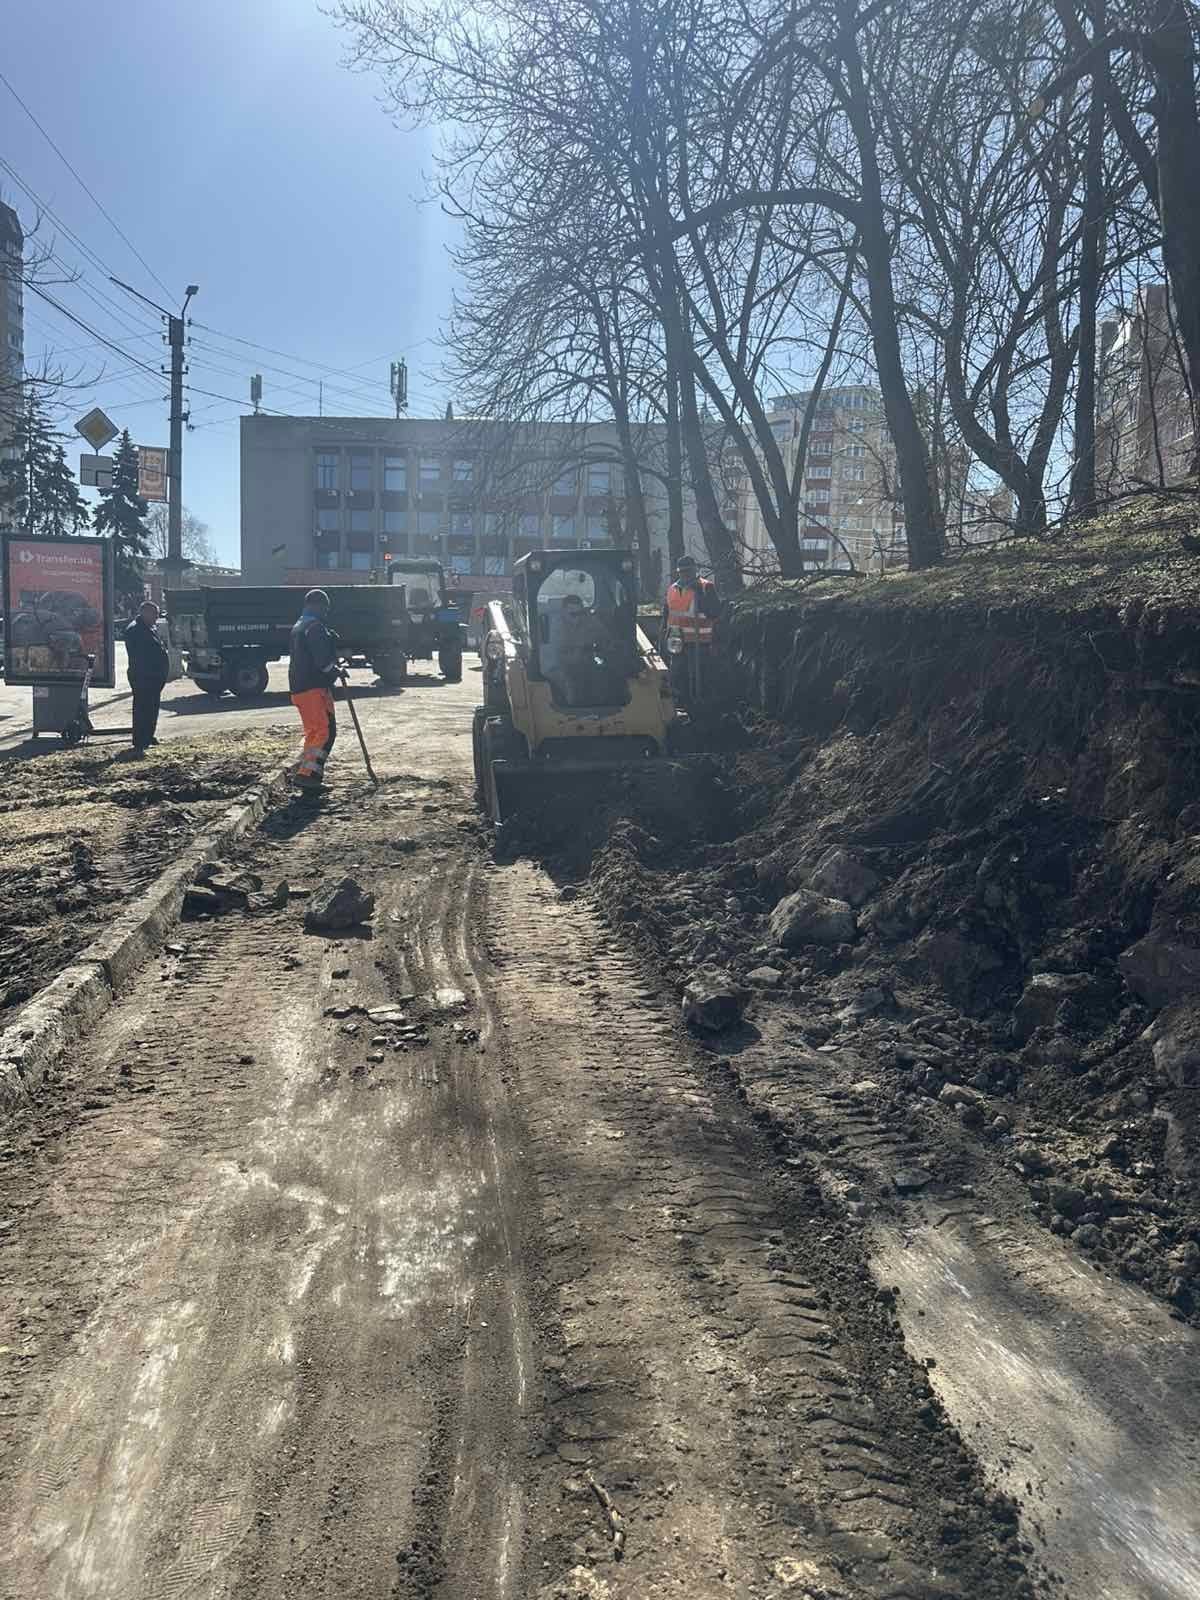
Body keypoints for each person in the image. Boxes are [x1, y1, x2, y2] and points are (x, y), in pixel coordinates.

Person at [289, 589, 340, 788]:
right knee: (323, 733)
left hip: (302, 687)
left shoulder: (300, 625)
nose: (326, 612)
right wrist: (335, 671)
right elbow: (322, 661)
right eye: (325, 608)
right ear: (317, 605)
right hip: (313, 687)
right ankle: (307, 775)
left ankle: (311, 775)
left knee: (315, 732)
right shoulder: (314, 627)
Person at [661, 554, 720, 705]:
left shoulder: (706, 587)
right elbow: (667, 616)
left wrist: (700, 595)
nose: (685, 574)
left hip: (699, 642)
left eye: (688, 571)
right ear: (678, 572)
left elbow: (715, 612)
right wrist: (663, 638)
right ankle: (680, 704)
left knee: (698, 676)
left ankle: (701, 704)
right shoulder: (672, 589)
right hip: (677, 642)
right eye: (682, 571)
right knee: (677, 675)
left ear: (695, 570)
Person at [124, 600, 170, 752]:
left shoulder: (148, 627)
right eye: (154, 615)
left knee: (151, 708)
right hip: (144, 676)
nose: (156, 618)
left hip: (152, 677)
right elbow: (142, 655)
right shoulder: (136, 630)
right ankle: (140, 740)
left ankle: (148, 735)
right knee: (143, 708)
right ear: (145, 612)